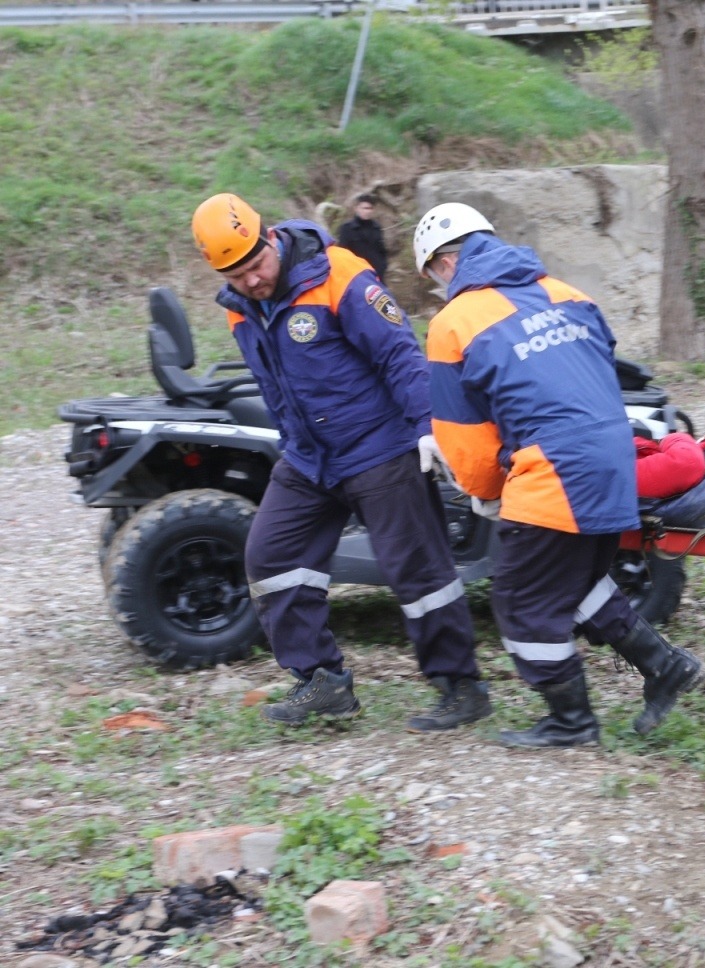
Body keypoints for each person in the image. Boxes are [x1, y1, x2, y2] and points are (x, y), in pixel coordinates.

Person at [190, 193, 491, 732]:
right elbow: (275, 385)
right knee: (270, 555)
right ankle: (322, 682)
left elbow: (399, 352)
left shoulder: (340, 274)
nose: (252, 281)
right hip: (310, 458)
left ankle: (460, 686)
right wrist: (292, 439)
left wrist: (427, 427)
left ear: (270, 239)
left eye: (255, 266)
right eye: (236, 276)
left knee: (417, 569)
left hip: (379, 446)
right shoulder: (241, 309)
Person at [414, 201, 705, 748]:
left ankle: (571, 720)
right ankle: (664, 666)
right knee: (577, 583)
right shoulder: (570, 294)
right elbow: (590, 376)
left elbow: (467, 442)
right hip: (615, 457)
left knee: (520, 600)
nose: (437, 285)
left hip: (553, 473)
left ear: (445, 263)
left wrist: (486, 491)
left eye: (433, 274)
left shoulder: (452, 323)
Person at [336, 193, 389, 281]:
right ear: (357, 208)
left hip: (376, 274)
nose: (367, 211)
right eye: (364, 208)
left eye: (370, 208)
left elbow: (382, 251)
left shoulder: (376, 227)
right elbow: (342, 253)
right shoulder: (347, 228)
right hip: (356, 275)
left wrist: (383, 266)